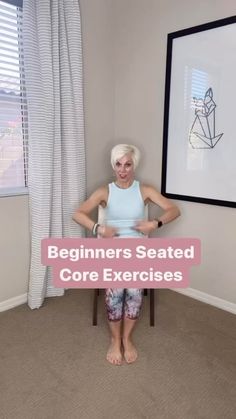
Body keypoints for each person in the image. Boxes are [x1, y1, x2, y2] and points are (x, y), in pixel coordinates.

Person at [73, 144, 180, 365]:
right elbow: (78, 213)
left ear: (134, 166)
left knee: (133, 293)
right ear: (114, 166)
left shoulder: (145, 191)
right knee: (115, 296)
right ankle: (114, 340)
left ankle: (126, 338)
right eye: (118, 165)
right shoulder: (105, 191)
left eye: (127, 164)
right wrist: (99, 229)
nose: (123, 170)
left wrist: (155, 223)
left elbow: (173, 210)